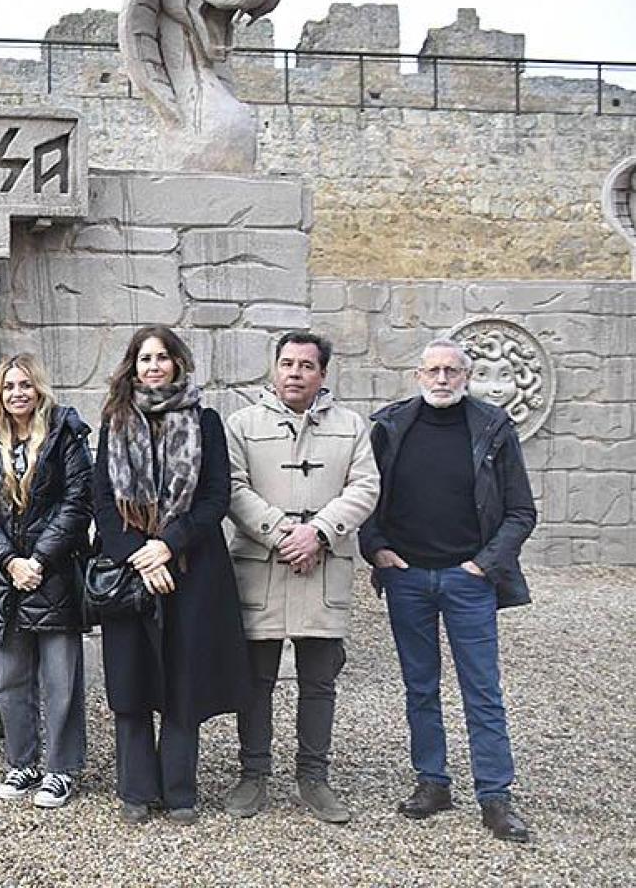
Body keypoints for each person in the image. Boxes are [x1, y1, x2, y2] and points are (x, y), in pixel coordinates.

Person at [359, 338, 537, 843]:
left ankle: (495, 795)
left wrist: (484, 565)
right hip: (408, 578)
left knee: (482, 690)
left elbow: (522, 511)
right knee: (420, 686)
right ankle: (432, 781)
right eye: (433, 370)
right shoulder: (391, 428)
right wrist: (377, 549)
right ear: (418, 375)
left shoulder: (493, 429)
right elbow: (366, 495)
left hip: (468, 581)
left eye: (452, 371)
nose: (442, 379)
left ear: (468, 375)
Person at [91, 325, 249, 825]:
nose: (153, 366)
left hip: (191, 570)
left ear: (178, 363)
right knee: (132, 682)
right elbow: (101, 500)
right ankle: (136, 790)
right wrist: (139, 554)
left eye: (162, 357)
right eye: (144, 358)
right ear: (131, 366)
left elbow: (215, 498)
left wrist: (167, 545)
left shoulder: (205, 422)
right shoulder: (114, 422)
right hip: (129, 571)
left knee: (182, 680)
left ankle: (180, 790)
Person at [223, 331, 380, 823]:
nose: (295, 372)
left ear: (322, 374)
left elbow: (366, 486)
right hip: (261, 565)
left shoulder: (352, 426)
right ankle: (253, 775)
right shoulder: (242, 424)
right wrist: (281, 533)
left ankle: (314, 777)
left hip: (323, 566)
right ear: (274, 369)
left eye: (306, 365)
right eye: (287, 363)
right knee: (255, 679)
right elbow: (231, 486)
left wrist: (319, 532)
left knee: (319, 680)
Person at [0, 353, 93, 808]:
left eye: (25, 385)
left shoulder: (65, 436)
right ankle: (22, 763)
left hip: (53, 575)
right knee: (11, 679)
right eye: (9, 386)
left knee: (61, 680)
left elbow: (78, 503)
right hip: (6, 581)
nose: (17, 393)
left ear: (39, 388)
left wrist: (37, 560)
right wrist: (8, 562)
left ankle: (61, 769)